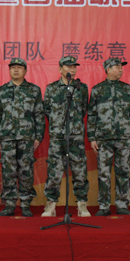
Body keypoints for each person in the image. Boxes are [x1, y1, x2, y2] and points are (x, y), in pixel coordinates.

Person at [0, 58, 45, 217]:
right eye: (13, 67)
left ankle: (25, 204)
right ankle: (9, 204)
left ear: (25, 71)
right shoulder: (2, 90)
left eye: (19, 68)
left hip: (27, 137)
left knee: (26, 171)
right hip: (7, 138)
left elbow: (39, 115)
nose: (16, 70)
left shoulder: (34, 90)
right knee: (8, 171)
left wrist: (38, 136)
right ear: (9, 70)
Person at [88, 57, 130, 216]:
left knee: (123, 171)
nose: (120, 70)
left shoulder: (127, 89)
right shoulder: (98, 89)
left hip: (124, 137)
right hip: (104, 138)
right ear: (108, 70)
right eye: (117, 67)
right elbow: (92, 115)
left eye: (121, 67)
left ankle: (122, 204)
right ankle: (104, 205)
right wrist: (92, 138)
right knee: (103, 173)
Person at [42, 56, 90, 217]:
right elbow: (47, 110)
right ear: (60, 69)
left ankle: (82, 204)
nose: (72, 69)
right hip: (57, 137)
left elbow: (83, 109)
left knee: (80, 171)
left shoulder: (82, 88)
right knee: (54, 172)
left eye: (74, 67)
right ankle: (51, 204)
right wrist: (58, 125)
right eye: (68, 66)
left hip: (76, 137)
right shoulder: (52, 88)